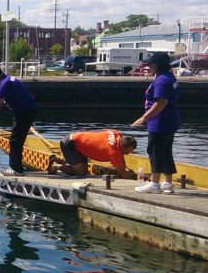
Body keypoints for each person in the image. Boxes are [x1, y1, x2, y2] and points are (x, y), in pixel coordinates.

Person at [131, 52, 180, 194]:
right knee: (165, 151)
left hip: (160, 121)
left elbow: (162, 102)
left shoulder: (162, 81)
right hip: (169, 120)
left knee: (155, 151)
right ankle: (168, 183)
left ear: (157, 65)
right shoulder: (169, 77)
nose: (148, 67)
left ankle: (155, 183)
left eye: (150, 64)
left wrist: (144, 117)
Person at [0, 66, 39, 176]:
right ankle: (17, 166)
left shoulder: (5, 83)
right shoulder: (5, 81)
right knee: (17, 139)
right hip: (26, 111)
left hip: (26, 112)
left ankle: (17, 169)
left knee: (15, 141)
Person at [48, 130, 137, 179]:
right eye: (128, 151)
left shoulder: (116, 133)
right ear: (123, 147)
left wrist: (126, 168)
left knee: (82, 168)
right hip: (70, 144)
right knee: (81, 173)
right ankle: (55, 165)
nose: (128, 154)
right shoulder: (113, 152)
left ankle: (57, 159)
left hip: (79, 141)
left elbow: (121, 156)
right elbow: (124, 175)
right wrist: (133, 177)